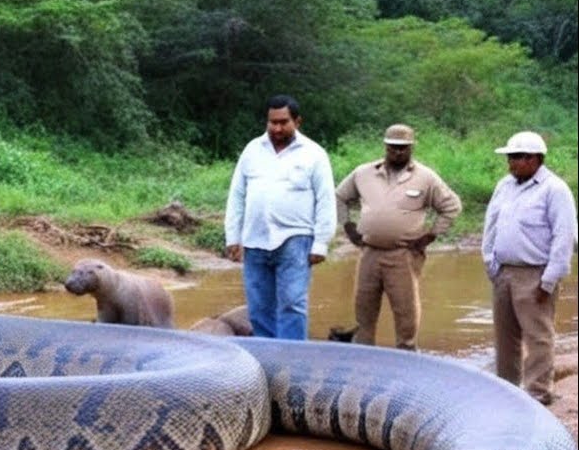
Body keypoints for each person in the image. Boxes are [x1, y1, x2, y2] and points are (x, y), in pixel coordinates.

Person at [335, 124, 462, 350]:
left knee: (406, 312)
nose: (398, 152)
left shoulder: (426, 177)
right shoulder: (364, 173)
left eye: (403, 148)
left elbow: (452, 206)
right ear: (385, 146)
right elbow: (339, 197)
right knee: (364, 308)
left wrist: (430, 236)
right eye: (393, 147)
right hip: (369, 253)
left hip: (403, 255)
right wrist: (348, 227)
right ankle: (364, 354)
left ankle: (408, 354)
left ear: (411, 147)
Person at [224, 95, 336, 340]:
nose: (276, 128)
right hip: (255, 239)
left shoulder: (314, 154)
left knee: (292, 303)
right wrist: (233, 237)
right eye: (272, 122)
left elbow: (326, 199)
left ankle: (293, 364)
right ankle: (268, 363)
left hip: (295, 238)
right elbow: (237, 194)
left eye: (283, 122)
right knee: (258, 306)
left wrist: (321, 242)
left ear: (297, 121)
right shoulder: (253, 150)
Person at [481, 131, 576, 405]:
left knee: (538, 337)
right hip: (504, 272)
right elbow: (491, 226)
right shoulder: (504, 186)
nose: (512, 163)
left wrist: (548, 281)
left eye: (518, 158)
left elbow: (563, 237)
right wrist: (491, 264)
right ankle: (506, 390)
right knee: (505, 337)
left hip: (535, 274)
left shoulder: (554, 190)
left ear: (535, 159)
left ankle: (538, 392)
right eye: (510, 158)